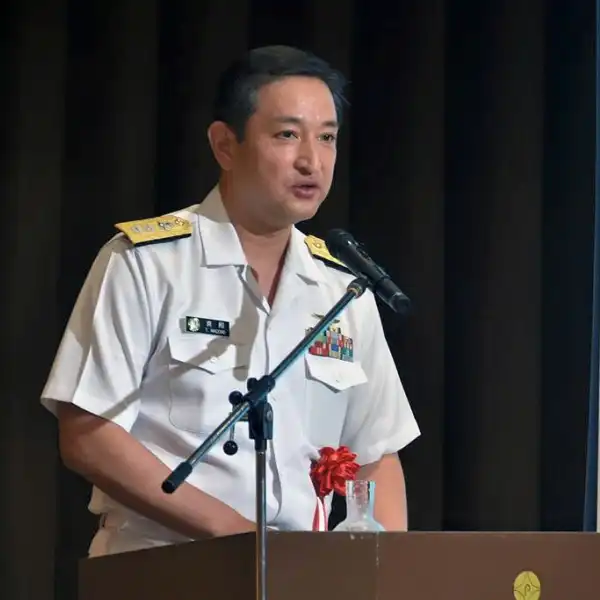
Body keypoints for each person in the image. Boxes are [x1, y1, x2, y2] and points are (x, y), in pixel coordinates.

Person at [40, 45, 420, 556]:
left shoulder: (343, 288)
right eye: (287, 135)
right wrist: (242, 540)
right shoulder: (147, 263)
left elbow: (377, 454)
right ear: (225, 145)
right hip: (165, 565)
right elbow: (88, 432)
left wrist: (382, 572)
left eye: (327, 137)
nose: (312, 160)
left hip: (300, 576)